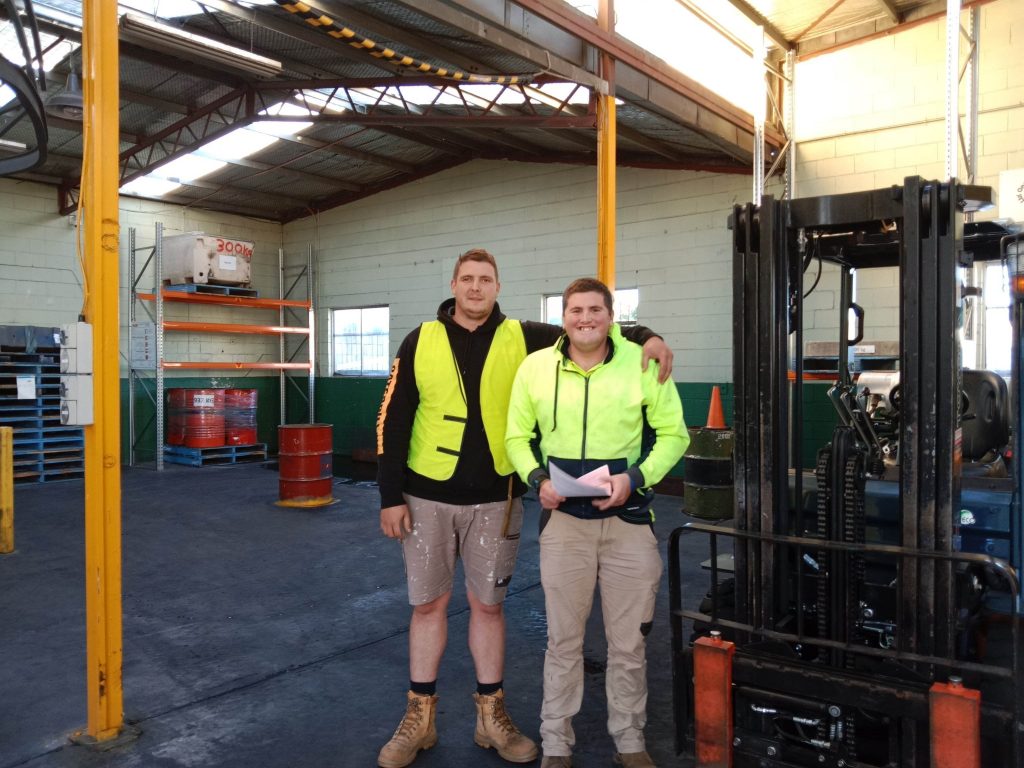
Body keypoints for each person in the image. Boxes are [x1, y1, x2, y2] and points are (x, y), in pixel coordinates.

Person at [375, 249, 676, 768]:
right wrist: (388, 496)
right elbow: (392, 418)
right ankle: (417, 720)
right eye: (467, 279)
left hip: (499, 498)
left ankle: (491, 717)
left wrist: (648, 334)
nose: (475, 288)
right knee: (427, 607)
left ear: (497, 286)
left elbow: (594, 326)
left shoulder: (524, 334)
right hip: (426, 495)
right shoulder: (418, 339)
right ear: (453, 284)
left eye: (485, 280)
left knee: (489, 608)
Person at [504, 277, 689, 768]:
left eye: (594, 310)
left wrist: (637, 478)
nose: (585, 318)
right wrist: (537, 477)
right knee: (562, 642)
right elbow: (516, 437)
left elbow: (675, 435)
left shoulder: (641, 362)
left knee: (628, 646)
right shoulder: (536, 367)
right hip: (564, 525)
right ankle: (557, 744)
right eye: (575, 311)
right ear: (563, 318)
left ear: (612, 317)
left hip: (628, 524)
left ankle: (629, 741)